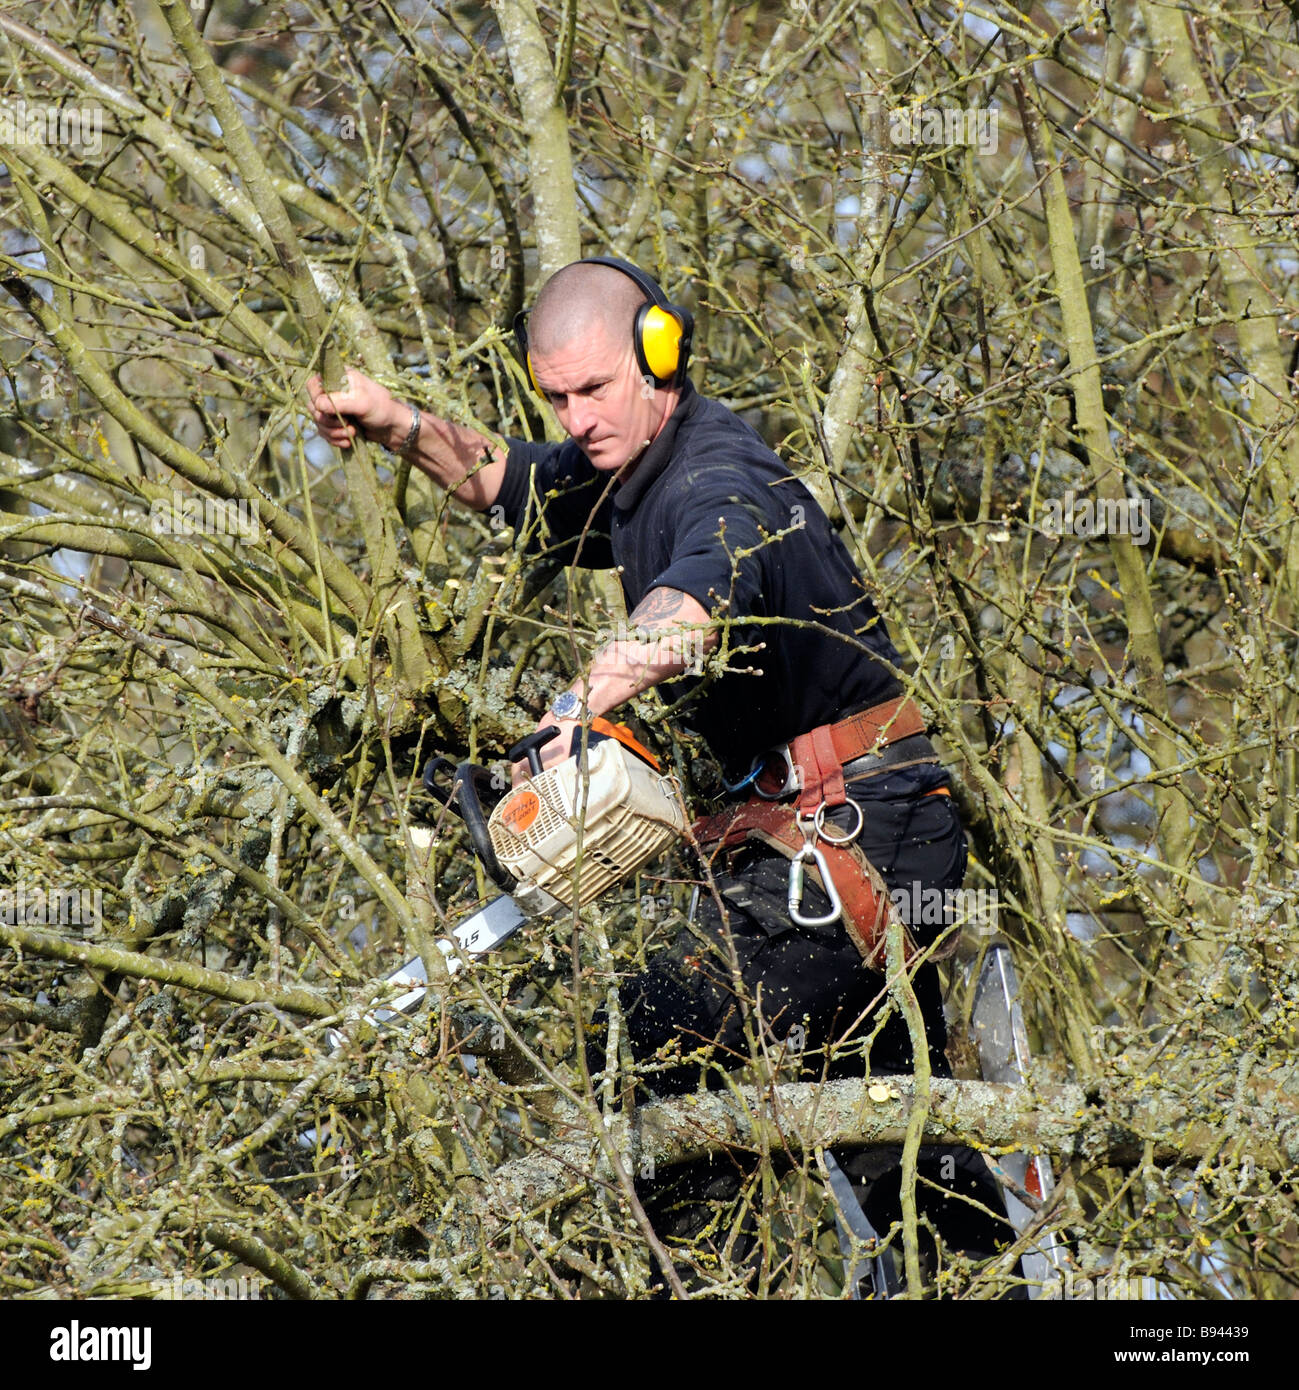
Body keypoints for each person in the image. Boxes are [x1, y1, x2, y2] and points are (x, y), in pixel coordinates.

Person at [307, 256, 1011, 1286]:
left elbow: (693, 604)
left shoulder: (724, 480)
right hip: (804, 845)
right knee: (890, 1137)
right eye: (557, 396)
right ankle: (985, 1274)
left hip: (864, 831)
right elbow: (514, 479)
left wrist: (572, 710)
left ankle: (709, 1275)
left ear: (660, 356)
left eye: (594, 390)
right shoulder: (625, 473)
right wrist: (399, 424)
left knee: (653, 1017)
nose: (577, 417)